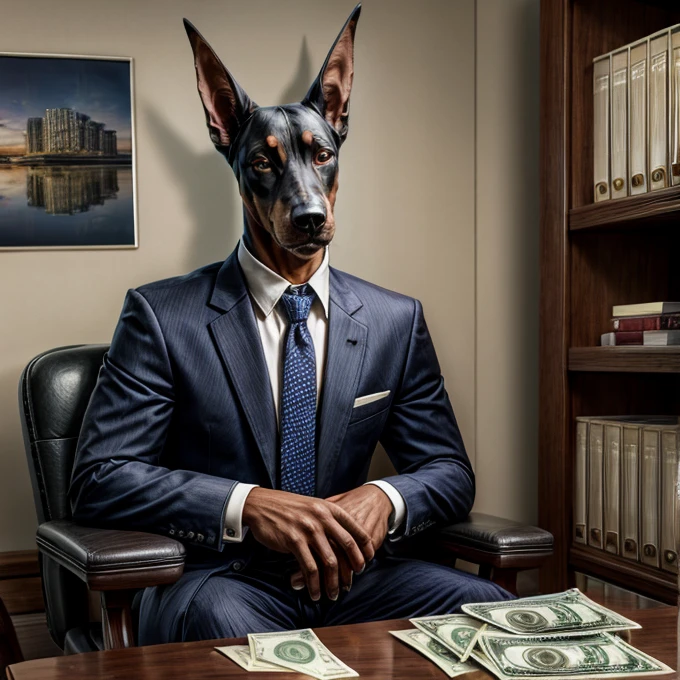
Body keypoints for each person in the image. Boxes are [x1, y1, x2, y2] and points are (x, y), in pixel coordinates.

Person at [69, 6, 511, 645]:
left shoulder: (394, 321)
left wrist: (382, 499)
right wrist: (247, 507)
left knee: (490, 612)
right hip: (224, 581)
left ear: (336, 146)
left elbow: (448, 471)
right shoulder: (161, 316)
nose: (303, 198)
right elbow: (100, 478)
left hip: (358, 580)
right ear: (231, 151)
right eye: (268, 167)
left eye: (319, 159)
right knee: (231, 631)